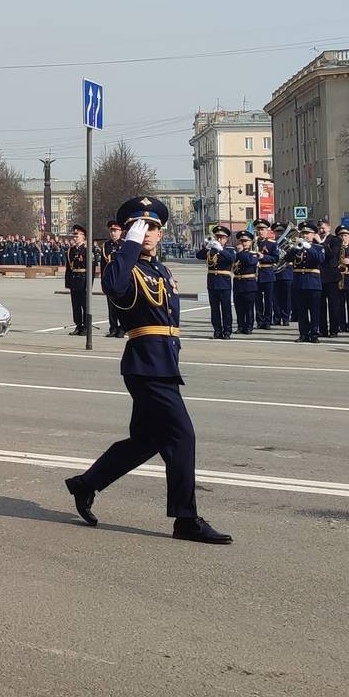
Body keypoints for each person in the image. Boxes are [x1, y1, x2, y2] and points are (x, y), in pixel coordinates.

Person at [64, 196, 231, 545]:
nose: (149, 233)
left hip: (163, 362)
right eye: (142, 228)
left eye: (153, 227)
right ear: (129, 233)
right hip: (146, 365)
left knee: (146, 441)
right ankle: (185, 519)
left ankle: (85, 484)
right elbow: (113, 287)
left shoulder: (160, 269)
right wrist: (128, 245)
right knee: (183, 436)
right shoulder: (125, 266)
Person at [194, 225, 234, 339]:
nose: (219, 240)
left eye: (222, 237)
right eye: (217, 237)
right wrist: (207, 247)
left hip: (224, 283)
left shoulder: (229, 250)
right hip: (212, 283)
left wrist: (221, 249)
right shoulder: (211, 250)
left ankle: (227, 331)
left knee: (226, 309)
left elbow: (231, 259)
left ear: (226, 239)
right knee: (214, 310)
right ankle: (217, 331)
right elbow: (198, 256)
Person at [291, 225, 324, 343]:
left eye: (308, 233)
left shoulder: (319, 247)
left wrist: (309, 247)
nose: (305, 235)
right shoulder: (296, 247)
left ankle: (314, 334)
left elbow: (320, 260)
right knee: (301, 311)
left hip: (313, 283)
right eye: (303, 233)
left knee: (315, 311)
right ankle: (303, 334)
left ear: (314, 235)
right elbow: (286, 259)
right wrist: (295, 248)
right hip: (299, 283)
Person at [62, 225, 91, 335]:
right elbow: (69, 268)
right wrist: (68, 282)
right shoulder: (71, 250)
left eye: (77, 235)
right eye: (74, 235)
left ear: (83, 236)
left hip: (84, 280)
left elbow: (91, 269)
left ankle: (85, 327)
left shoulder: (87, 250)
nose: (75, 237)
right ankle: (78, 325)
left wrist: (89, 284)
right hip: (74, 281)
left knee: (84, 305)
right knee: (76, 305)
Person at [230, 230, 258, 335]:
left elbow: (250, 262)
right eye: (241, 241)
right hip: (238, 282)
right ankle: (240, 326)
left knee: (249, 308)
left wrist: (241, 252)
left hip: (249, 284)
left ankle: (249, 327)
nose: (243, 243)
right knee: (239, 308)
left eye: (246, 241)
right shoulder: (236, 254)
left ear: (251, 242)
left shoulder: (253, 254)